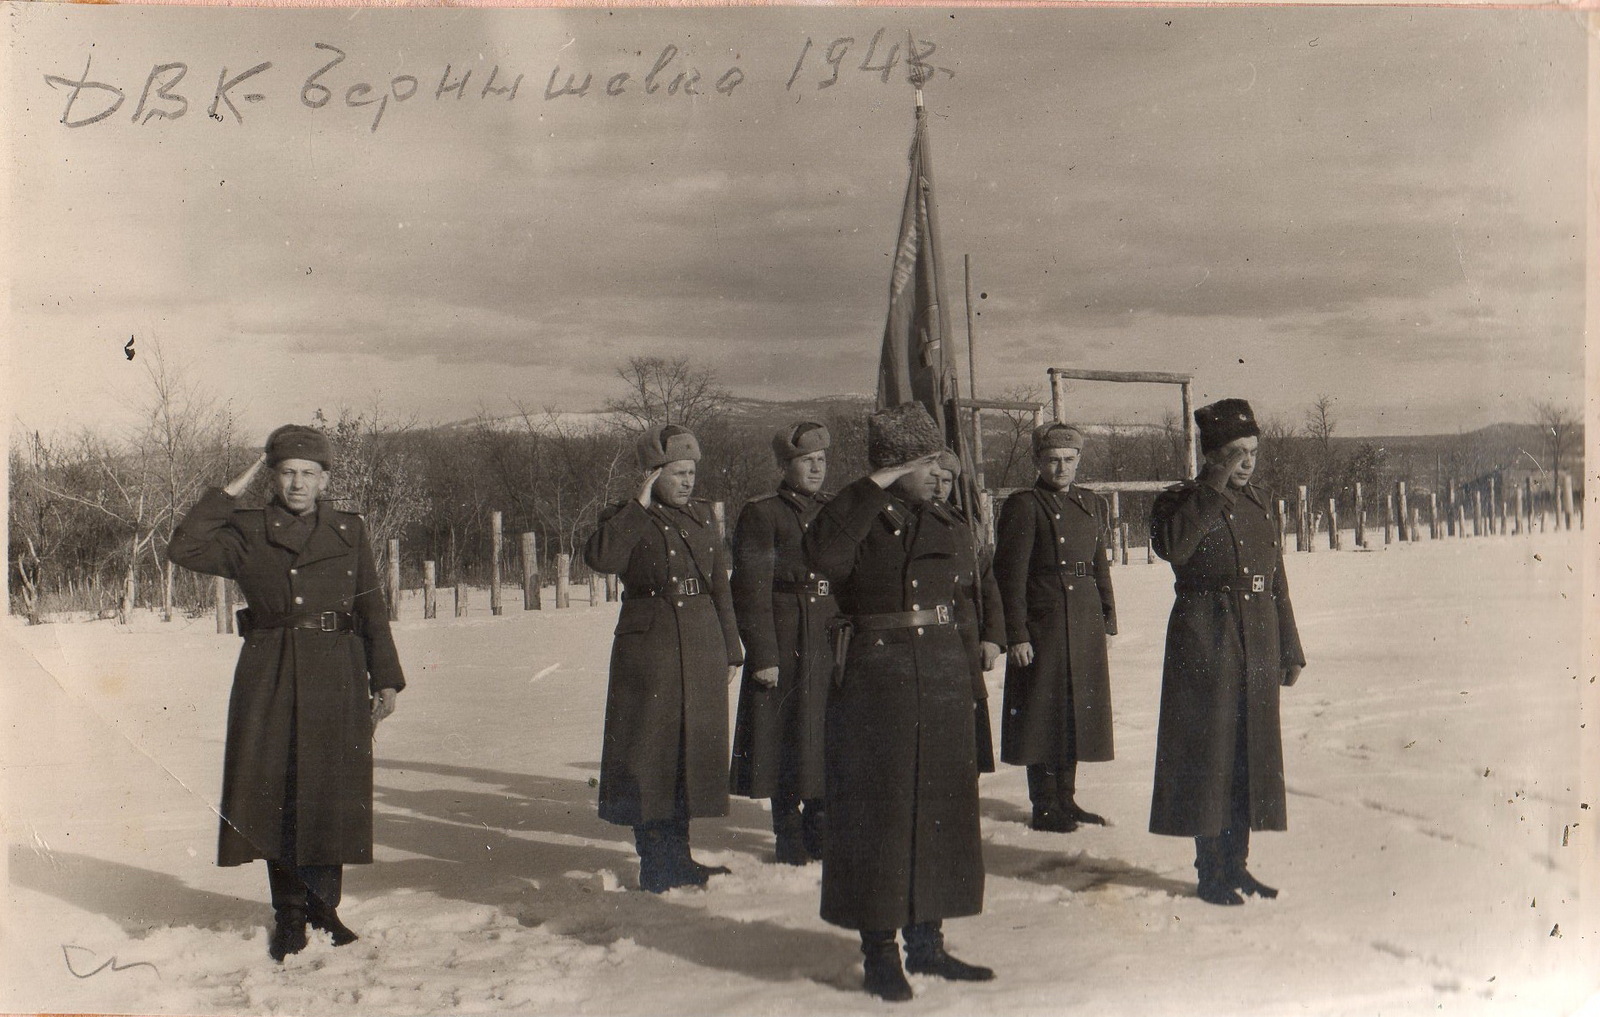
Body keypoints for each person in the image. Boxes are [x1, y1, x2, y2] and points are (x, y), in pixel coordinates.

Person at [167, 425, 404, 963]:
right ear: (272, 476)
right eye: (286, 471)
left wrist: (385, 677)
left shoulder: (350, 529)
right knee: (280, 789)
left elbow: (370, 607)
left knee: (330, 788)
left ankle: (325, 906)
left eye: (308, 473)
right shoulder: (248, 530)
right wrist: (231, 490)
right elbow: (184, 546)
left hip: (339, 668)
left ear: (325, 479)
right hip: (270, 668)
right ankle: (290, 914)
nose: (298, 483)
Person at [803, 403, 993, 1002]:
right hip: (874, 681)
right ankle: (880, 953)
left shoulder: (946, 523)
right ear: (895, 466)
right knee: (877, 816)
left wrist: (971, 683)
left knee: (939, 812)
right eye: (929, 464)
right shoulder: (857, 517)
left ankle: (929, 946)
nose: (944, 476)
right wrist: (873, 484)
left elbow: (963, 601)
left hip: (939, 675)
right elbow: (824, 559)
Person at [1148, 398, 1306, 906]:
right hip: (1205, 640)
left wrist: (1289, 646)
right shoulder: (1178, 502)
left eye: (1253, 451)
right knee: (1209, 757)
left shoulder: (1259, 504)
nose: (1248, 462)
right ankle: (1209, 870)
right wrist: (1212, 486)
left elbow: (1277, 579)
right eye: (1236, 453)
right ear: (1212, 455)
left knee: (1249, 756)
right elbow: (1173, 547)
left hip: (1256, 639)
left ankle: (1237, 865)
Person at [582, 423, 742, 893]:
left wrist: (731, 647)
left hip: (699, 642)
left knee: (688, 751)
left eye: (692, 472)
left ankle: (680, 857)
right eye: (677, 473)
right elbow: (603, 558)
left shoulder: (701, 517)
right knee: (649, 753)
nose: (688, 481)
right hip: (648, 648)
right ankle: (655, 863)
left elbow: (719, 586)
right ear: (653, 475)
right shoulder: (626, 516)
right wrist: (639, 503)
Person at [992, 423, 1118, 832]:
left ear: (1079, 460)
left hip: (1082, 618)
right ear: (1037, 462)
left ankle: (1067, 798)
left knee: (1077, 709)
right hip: (1043, 621)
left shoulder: (1090, 504)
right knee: (1042, 710)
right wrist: (1017, 634)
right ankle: (1044, 804)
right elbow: (1009, 577)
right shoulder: (1024, 506)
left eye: (1068, 459)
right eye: (1052, 460)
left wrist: (1107, 617)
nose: (1061, 467)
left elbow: (1099, 563)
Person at [729, 422, 837, 865]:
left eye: (821, 461)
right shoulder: (762, 513)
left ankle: (821, 825)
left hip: (828, 634)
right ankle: (787, 830)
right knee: (784, 734)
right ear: (784, 465)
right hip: (786, 633)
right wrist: (763, 654)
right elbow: (750, 590)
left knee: (824, 733)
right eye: (806, 461)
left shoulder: (833, 510)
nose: (816, 469)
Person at [931, 449, 1004, 775]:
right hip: (928, 639)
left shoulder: (964, 525)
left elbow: (987, 584)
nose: (939, 488)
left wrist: (992, 637)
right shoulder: (902, 522)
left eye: (946, 481)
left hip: (965, 636)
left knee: (967, 733)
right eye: (933, 479)